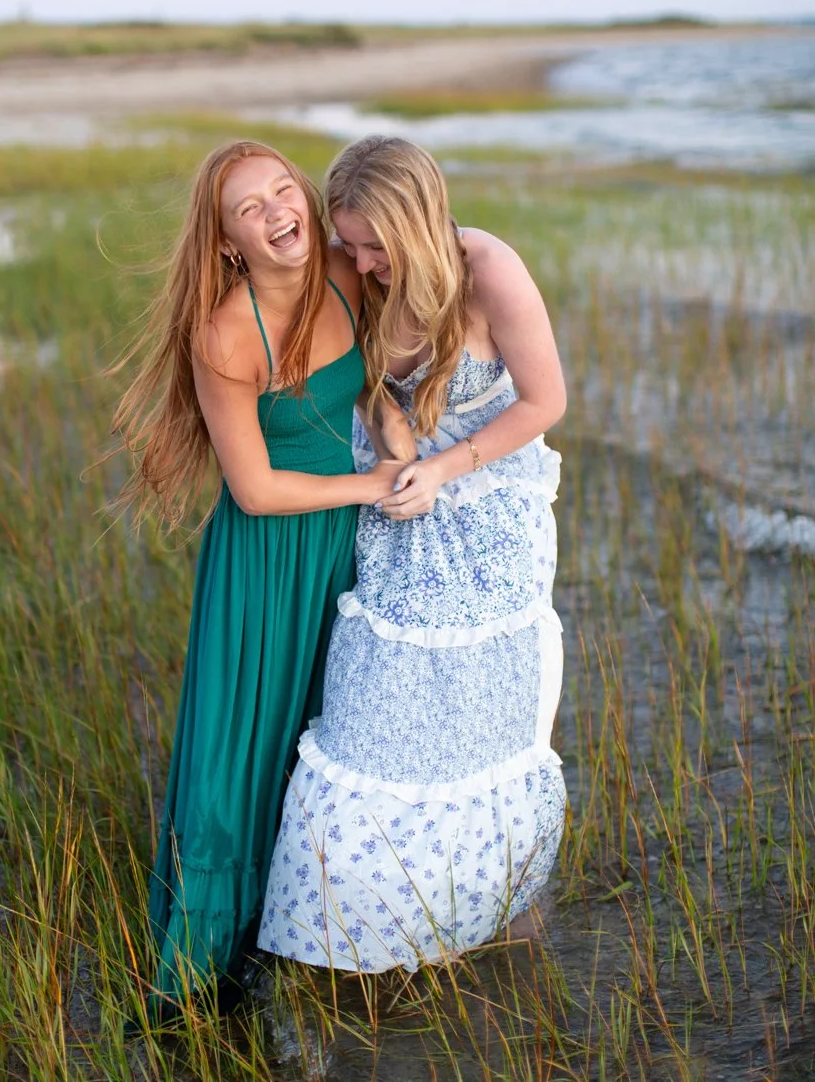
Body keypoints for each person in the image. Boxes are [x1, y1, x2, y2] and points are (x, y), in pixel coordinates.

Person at [109, 140, 405, 1012]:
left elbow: (369, 386)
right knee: (243, 749)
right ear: (228, 242)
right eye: (251, 207)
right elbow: (255, 488)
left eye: (284, 191)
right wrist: (375, 485)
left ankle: (308, 932)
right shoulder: (225, 334)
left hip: (341, 542)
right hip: (267, 561)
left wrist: (397, 437)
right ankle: (202, 975)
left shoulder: (347, 274)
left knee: (329, 733)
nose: (279, 212)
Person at [259, 135, 568, 972]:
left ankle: (486, 909)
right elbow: (357, 376)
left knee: (479, 716)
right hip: (391, 492)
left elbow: (545, 400)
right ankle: (361, 929)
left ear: (420, 221)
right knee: (372, 714)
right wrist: (394, 435)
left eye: (376, 246)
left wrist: (442, 468)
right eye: (349, 242)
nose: (361, 263)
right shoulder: (350, 270)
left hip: (488, 503)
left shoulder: (488, 270)